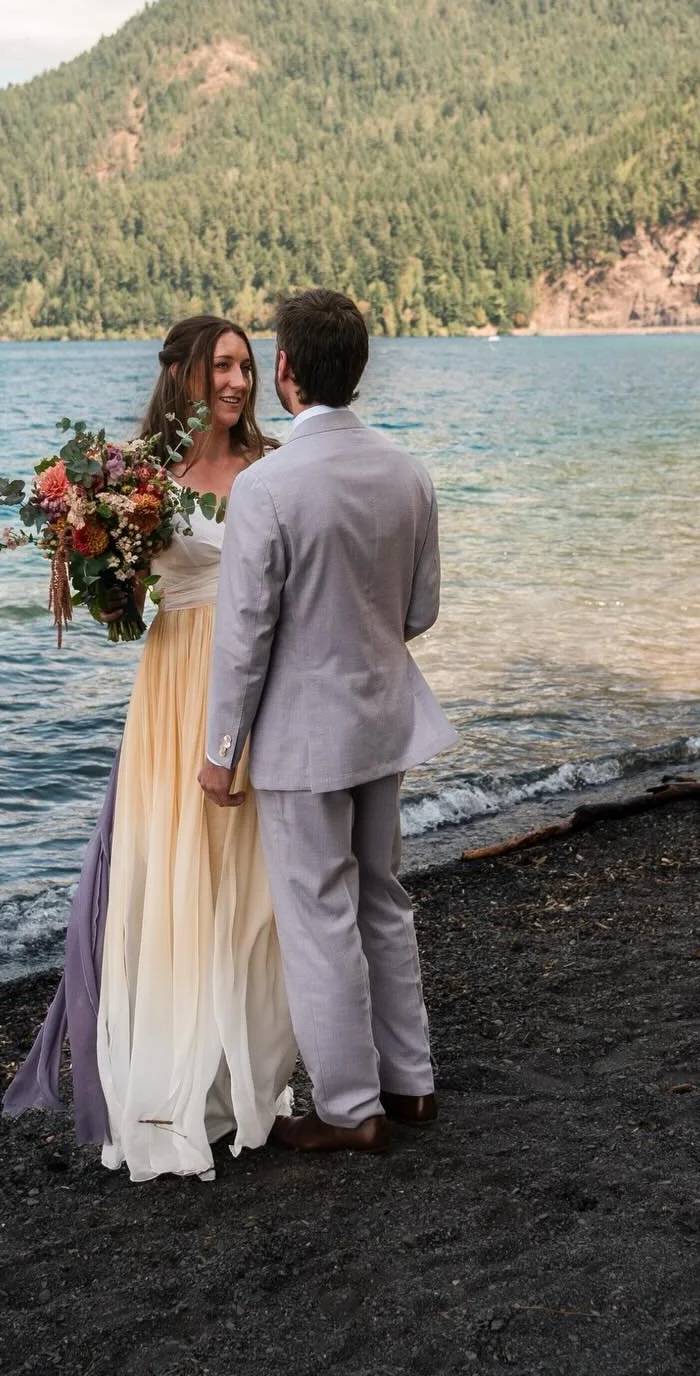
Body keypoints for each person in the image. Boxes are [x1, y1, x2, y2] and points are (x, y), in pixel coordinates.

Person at [5, 316, 297, 1180]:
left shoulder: (274, 466)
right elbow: (124, 616)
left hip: (255, 679)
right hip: (172, 686)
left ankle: (245, 1075)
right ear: (184, 377)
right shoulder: (143, 480)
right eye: (223, 366)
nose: (239, 381)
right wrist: (93, 557)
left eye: (247, 365)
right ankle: (176, 1087)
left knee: (248, 885)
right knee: (174, 874)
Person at [199, 288, 456, 1152]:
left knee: (318, 916)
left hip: (304, 737)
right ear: (360, 368)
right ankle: (410, 1084)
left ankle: (349, 1109)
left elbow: (244, 641)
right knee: (384, 898)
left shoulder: (266, 487)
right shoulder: (408, 472)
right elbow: (418, 611)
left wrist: (218, 753)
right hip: (384, 721)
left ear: (285, 371)